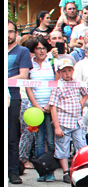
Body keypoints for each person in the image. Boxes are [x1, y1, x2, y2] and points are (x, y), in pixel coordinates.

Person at [48, 58, 88, 184]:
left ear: (73, 71)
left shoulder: (76, 82)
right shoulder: (57, 86)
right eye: (64, 71)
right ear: (60, 72)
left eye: (69, 70)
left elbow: (86, 93)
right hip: (64, 121)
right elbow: (53, 106)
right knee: (63, 147)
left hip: (77, 121)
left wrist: (81, 102)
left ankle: (81, 168)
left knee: (81, 145)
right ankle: (66, 171)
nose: (67, 73)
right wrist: (56, 126)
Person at [24, 37, 58, 173]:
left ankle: (50, 170)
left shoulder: (52, 63)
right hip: (36, 109)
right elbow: (28, 86)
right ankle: (41, 171)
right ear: (34, 50)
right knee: (38, 140)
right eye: (38, 48)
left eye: (43, 48)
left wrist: (50, 103)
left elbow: (56, 84)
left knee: (50, 140)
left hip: (50, 106)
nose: (41, 51)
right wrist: (35, 104)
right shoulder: (30, 64)